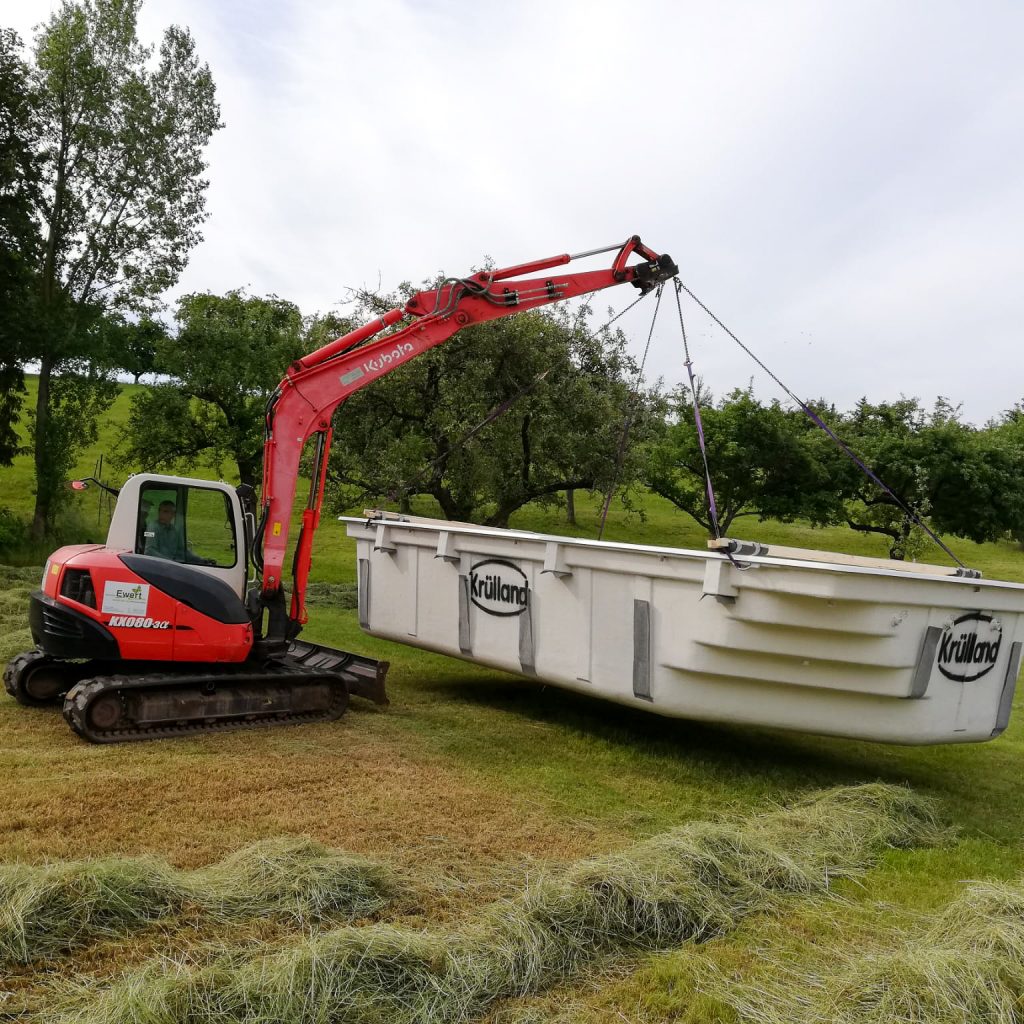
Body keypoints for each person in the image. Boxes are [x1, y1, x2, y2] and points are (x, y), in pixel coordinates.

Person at [144, 501, 215, 565]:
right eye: (160, 511)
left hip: (171, 565)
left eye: (165, 512)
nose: (161, 514)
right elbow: (149, 551)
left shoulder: (173, 530)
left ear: (173, 514)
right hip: (158, 565)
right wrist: (170, 562)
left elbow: (183, 551)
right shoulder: (153, 527)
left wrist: (201, 560)